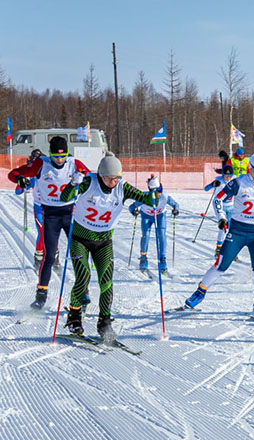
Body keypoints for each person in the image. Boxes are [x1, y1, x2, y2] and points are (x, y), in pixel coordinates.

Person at [59, 155, 156, 340]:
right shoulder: (89, 182)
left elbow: (151, 201)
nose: (113, 182)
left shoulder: (122, 187)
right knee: (83, 276)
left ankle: (104, 322)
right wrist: (73, 183)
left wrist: (155, 189)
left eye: (116, 178)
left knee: (106, 281)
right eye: (109, 178)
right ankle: (74, 316)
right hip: (80, 239)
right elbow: (65, 197)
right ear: (101, 175)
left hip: (104, 241)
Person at [182, 152, 254, 319]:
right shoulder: (239, 183)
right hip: (237, 231)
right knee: (221, 265)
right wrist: (222, 218)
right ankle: (200, 292)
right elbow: (218, 199)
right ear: (250, 168)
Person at [8, 136, 91, 309]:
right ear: (50, 154)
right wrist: (19, 179)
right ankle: (41, 295)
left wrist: (84, 180)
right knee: (49, 256)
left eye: (63, 156)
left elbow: (92, 179)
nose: (60, 160)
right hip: (51, 214)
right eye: (56, 156)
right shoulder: (41, 164)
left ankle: (84, 291)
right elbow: (13, 173)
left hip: (70, 213)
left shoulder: (74, 163)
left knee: (79, 254)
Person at [129, 174, 180, 274]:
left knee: (162, 234)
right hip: (146, 216)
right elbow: (131, 206)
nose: (159, 194)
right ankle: (143, 258)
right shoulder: (144, 197)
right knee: (146, 235)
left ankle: (163, 260)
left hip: (160, 215)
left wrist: (176, 210)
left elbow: (176, 204)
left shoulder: (165, 196)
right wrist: (134, 211)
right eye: (157, 192)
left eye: (160, 191)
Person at [204, 165, 235, 255]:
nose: (228, 178)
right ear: (222, 175)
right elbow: (206, 189)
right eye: (226, 176)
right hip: (219, 205)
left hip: (231, 206)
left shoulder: (234, 180)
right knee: (223, 226)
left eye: (230, 176)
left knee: (232, 228)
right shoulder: (219, 181)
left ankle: (230, 248)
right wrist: (212, 185)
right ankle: (219, 248)